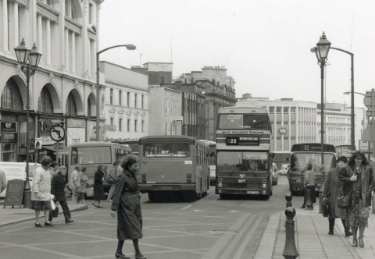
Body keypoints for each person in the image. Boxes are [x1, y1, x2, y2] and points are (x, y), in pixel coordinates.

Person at [111, 155, 146, 259]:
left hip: (134, 206)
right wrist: (113, 209)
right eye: (135, 166)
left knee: (125, 229)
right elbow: (117, 193)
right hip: (126, 207)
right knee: (134, 228)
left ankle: (118, 252)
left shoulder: (132, 175)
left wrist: (137, 193)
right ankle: (137, 253)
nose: (137, 168)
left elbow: (135, 188)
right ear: (129, 166)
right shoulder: (122, 177)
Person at [347, 152, 373, 248]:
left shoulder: (368, 169)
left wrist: (368, 191)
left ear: (363, 160)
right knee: (353, 220)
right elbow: (343, 180)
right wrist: (350, 178)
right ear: (353, 159)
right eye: (356, 158)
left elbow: (372, 182)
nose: (358, 160)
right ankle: (354, 238)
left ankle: (361, 237)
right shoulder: (349, 168)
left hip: (364, 199)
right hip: (352, 198)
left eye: (360, 159)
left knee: (363, 219)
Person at [322, 156, 351, 236]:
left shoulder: (347, 172)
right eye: (339, 163)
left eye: (343, 163)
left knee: (343, 214)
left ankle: (346, 231)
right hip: (333, 196)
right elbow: (327, 183)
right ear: (337, 163)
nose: (341, 165)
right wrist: (324, 195)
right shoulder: (332, 172)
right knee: (332, 214)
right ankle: (331, 230)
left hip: (342, 197)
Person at [31, 156, 53, 227]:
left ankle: (46, 221)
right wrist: (36, 192)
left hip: (46, 192)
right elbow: (35, 182)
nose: (49, 166)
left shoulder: (47, 171)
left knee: (47, 207)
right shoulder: (38, 171)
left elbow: (48, 181)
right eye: (49, 164)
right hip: (39, 193)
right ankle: (37, 222)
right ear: (45, 164)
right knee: (38, 208)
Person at [337, 156, 354, 237]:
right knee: (346, 213)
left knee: (345, 213)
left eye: (339, 162)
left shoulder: (345, 169)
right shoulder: (348, 169)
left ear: (343, 162)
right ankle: (347, 230)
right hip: (347, 194)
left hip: (346, 195)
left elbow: (342, 179)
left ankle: (347, 230)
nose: (338, 164)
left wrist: (350, 179)